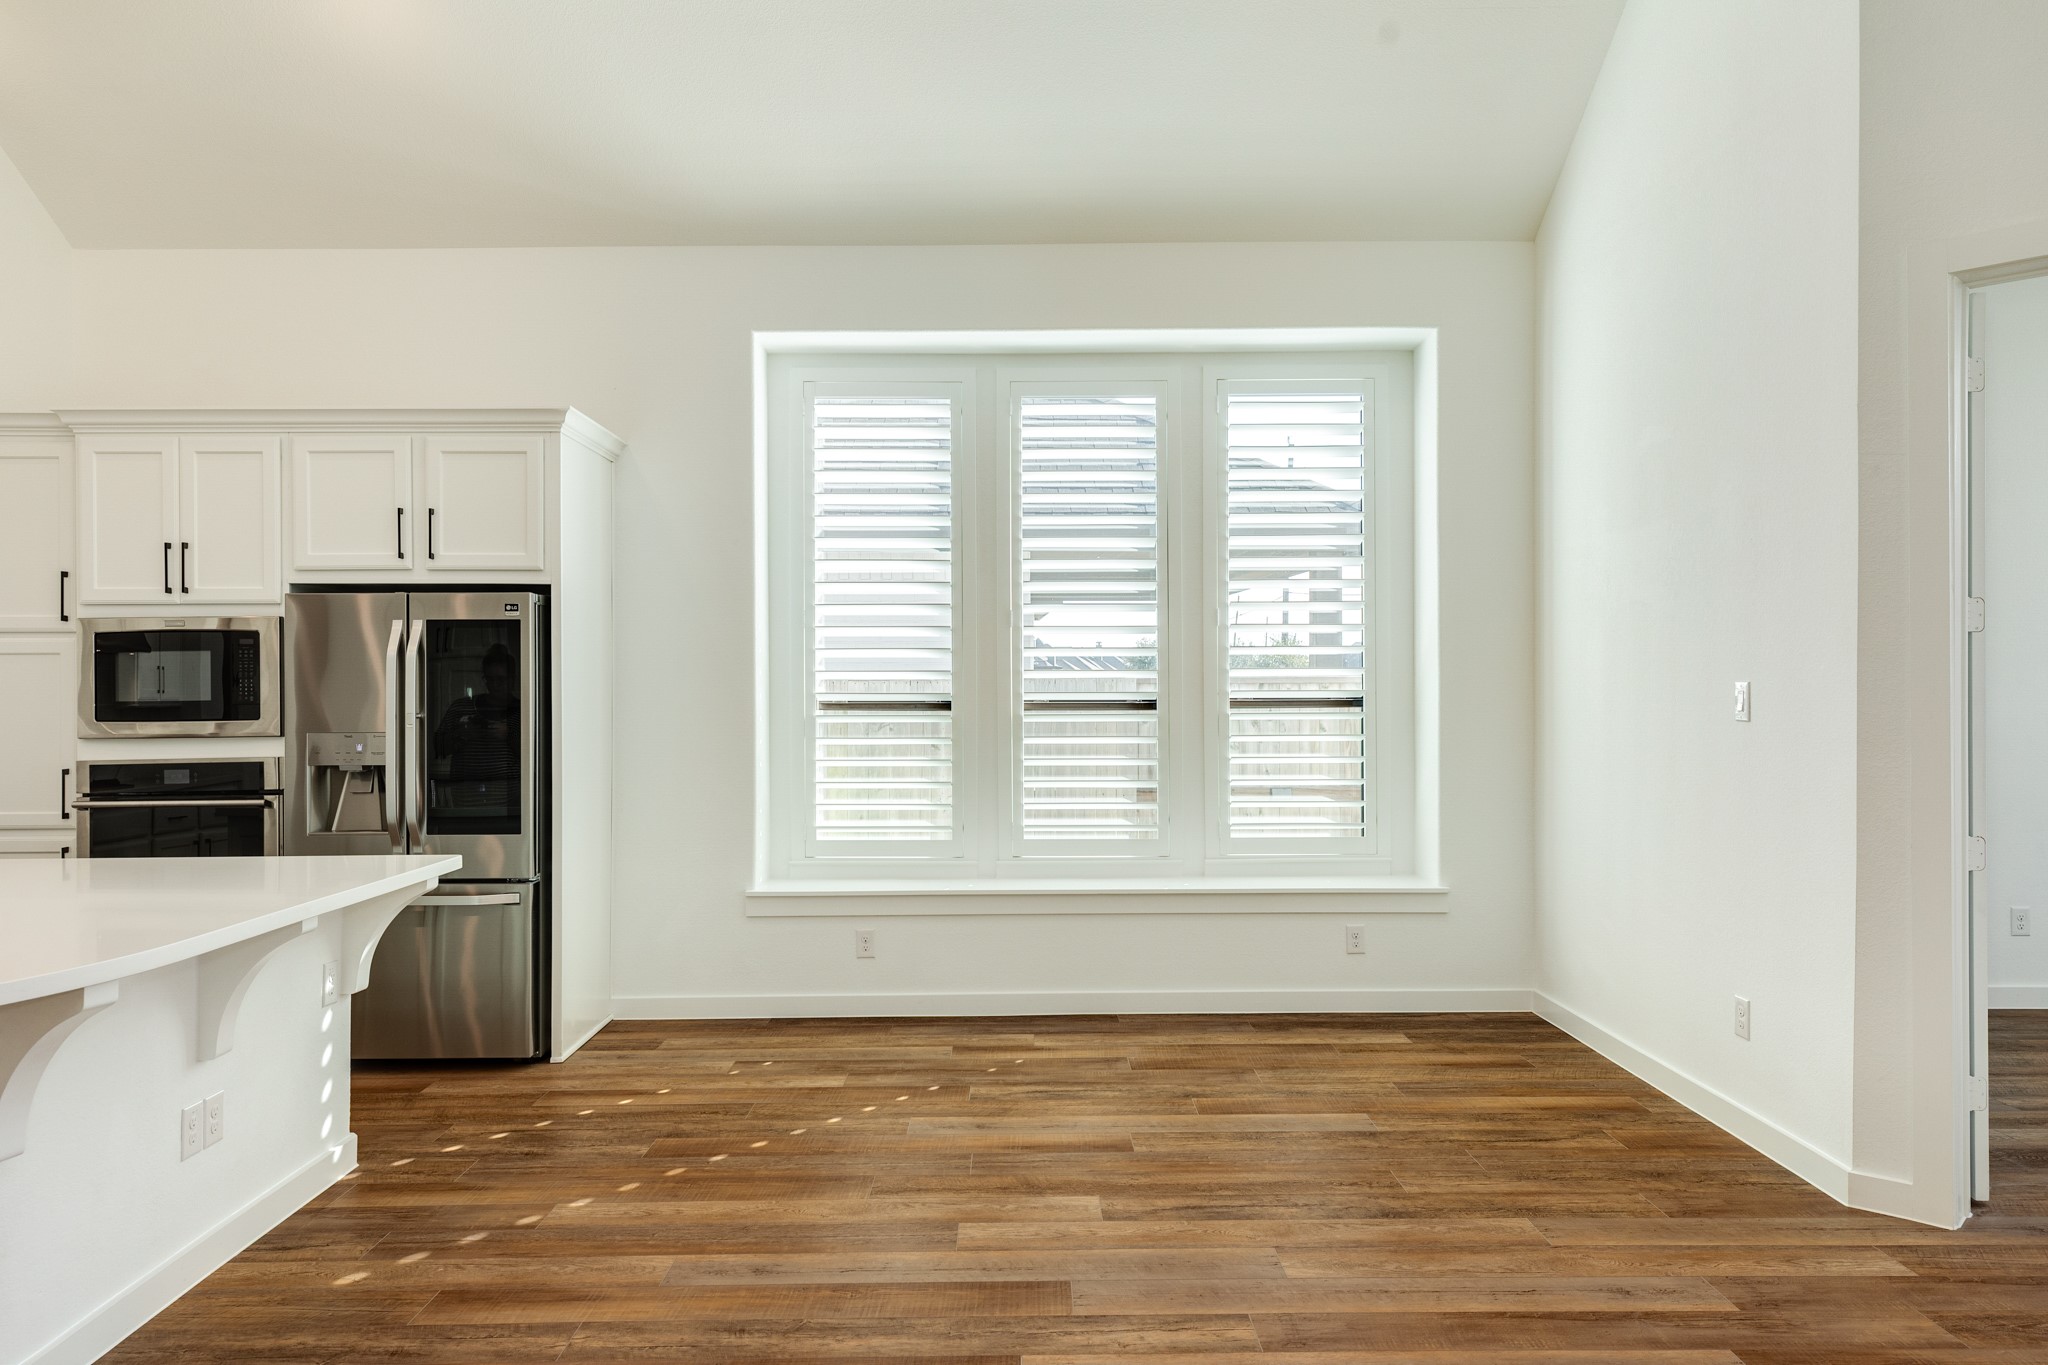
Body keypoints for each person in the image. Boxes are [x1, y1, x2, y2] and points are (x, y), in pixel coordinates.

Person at [432, 641, 519, 801]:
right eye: (489, 679)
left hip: (508, 800)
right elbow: (436, 749)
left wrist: (508, 735)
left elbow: (538, 758)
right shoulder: (461, 707)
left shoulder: (523, 712)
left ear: (512, 679)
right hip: (464, 797)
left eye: (500, 680)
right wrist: (460, 735)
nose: (494, 685)